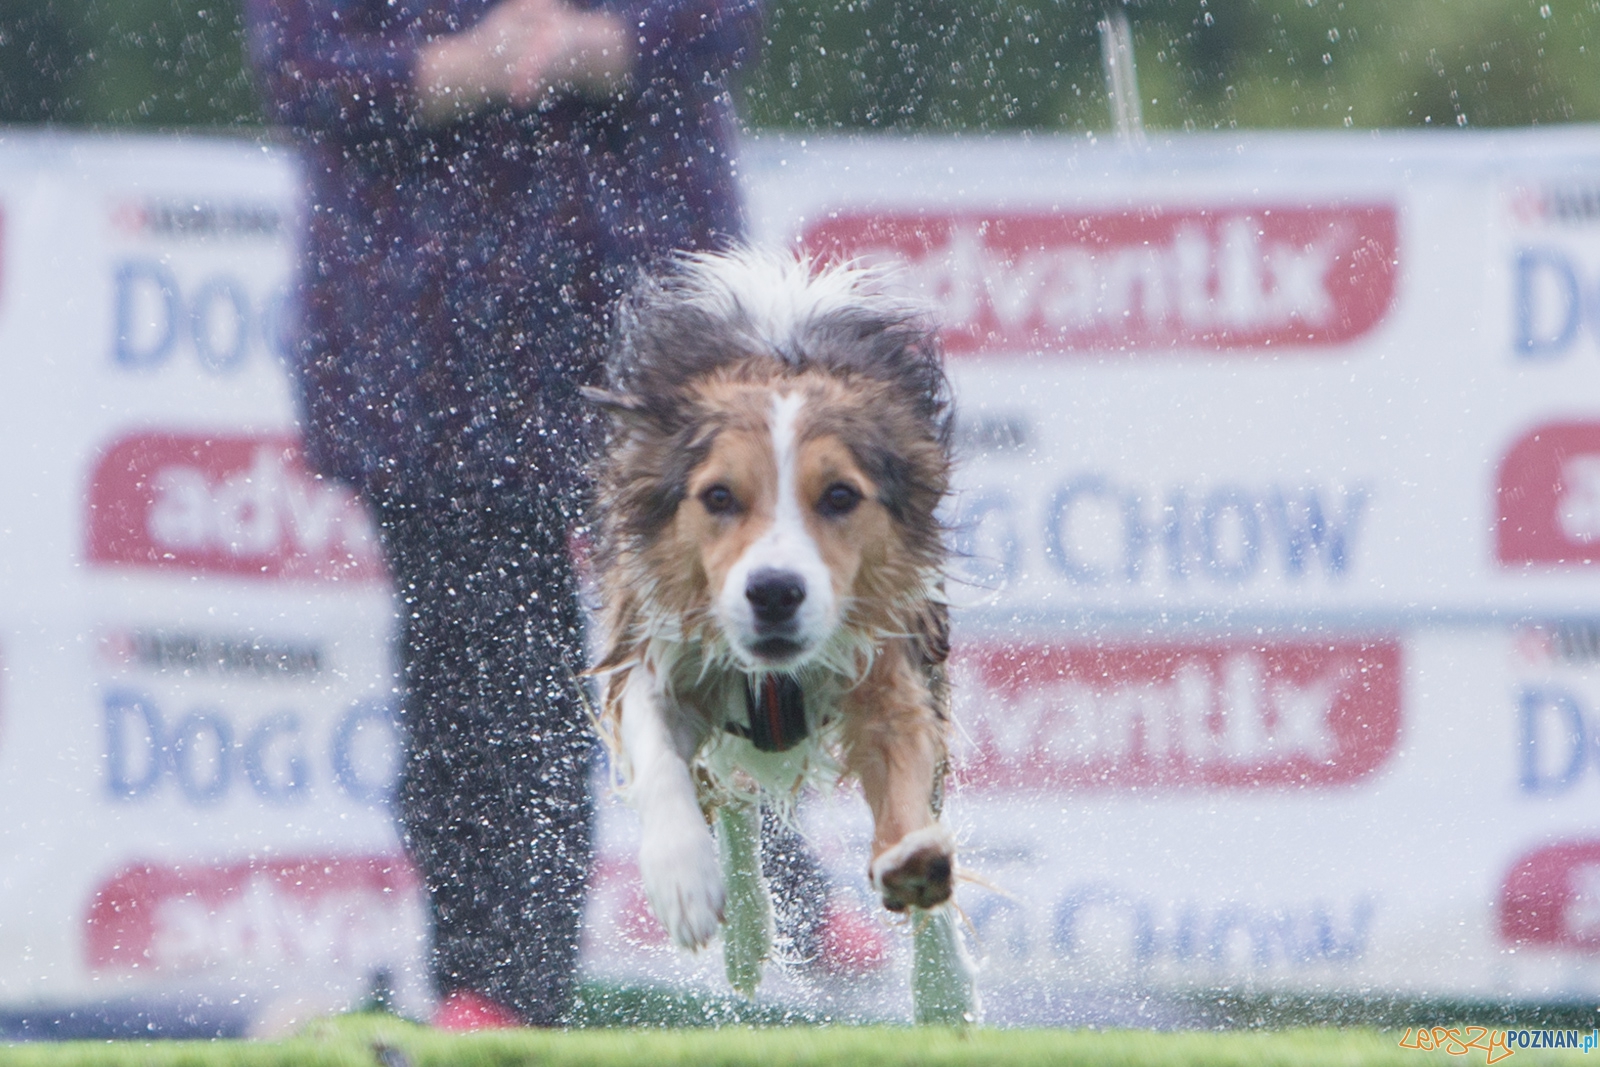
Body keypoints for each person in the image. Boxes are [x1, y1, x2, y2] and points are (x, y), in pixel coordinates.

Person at [244, 0, 764, 1027]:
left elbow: (726, 19)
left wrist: (605, 46)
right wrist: (460, 67)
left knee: (730, 626)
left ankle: (790, 898)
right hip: (425, 337)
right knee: (483, 678)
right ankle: (496, 989)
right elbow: (299, 64)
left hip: (649, 307)